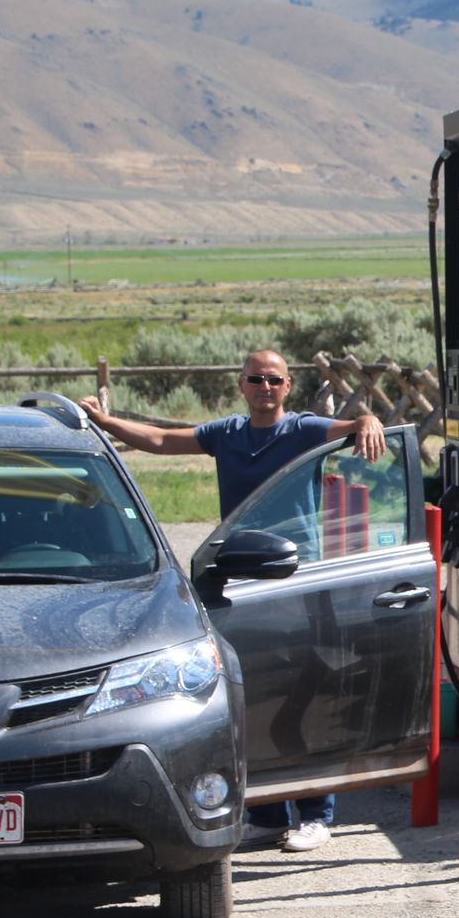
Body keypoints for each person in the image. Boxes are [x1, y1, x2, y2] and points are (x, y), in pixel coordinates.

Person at [79, 348, 384, 853]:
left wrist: (368, 419)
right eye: (255, 379)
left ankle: (315, 814)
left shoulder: (304, 430)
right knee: (253, 695)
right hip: (239, 582)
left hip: (295, 582)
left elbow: (355, 425)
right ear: (240, 384)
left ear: (288, 387)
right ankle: (264, 814)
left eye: (274, 380)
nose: (265, 388)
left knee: (307, 691)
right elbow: (157, 440)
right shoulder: (226, 435)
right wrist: (105, 421)